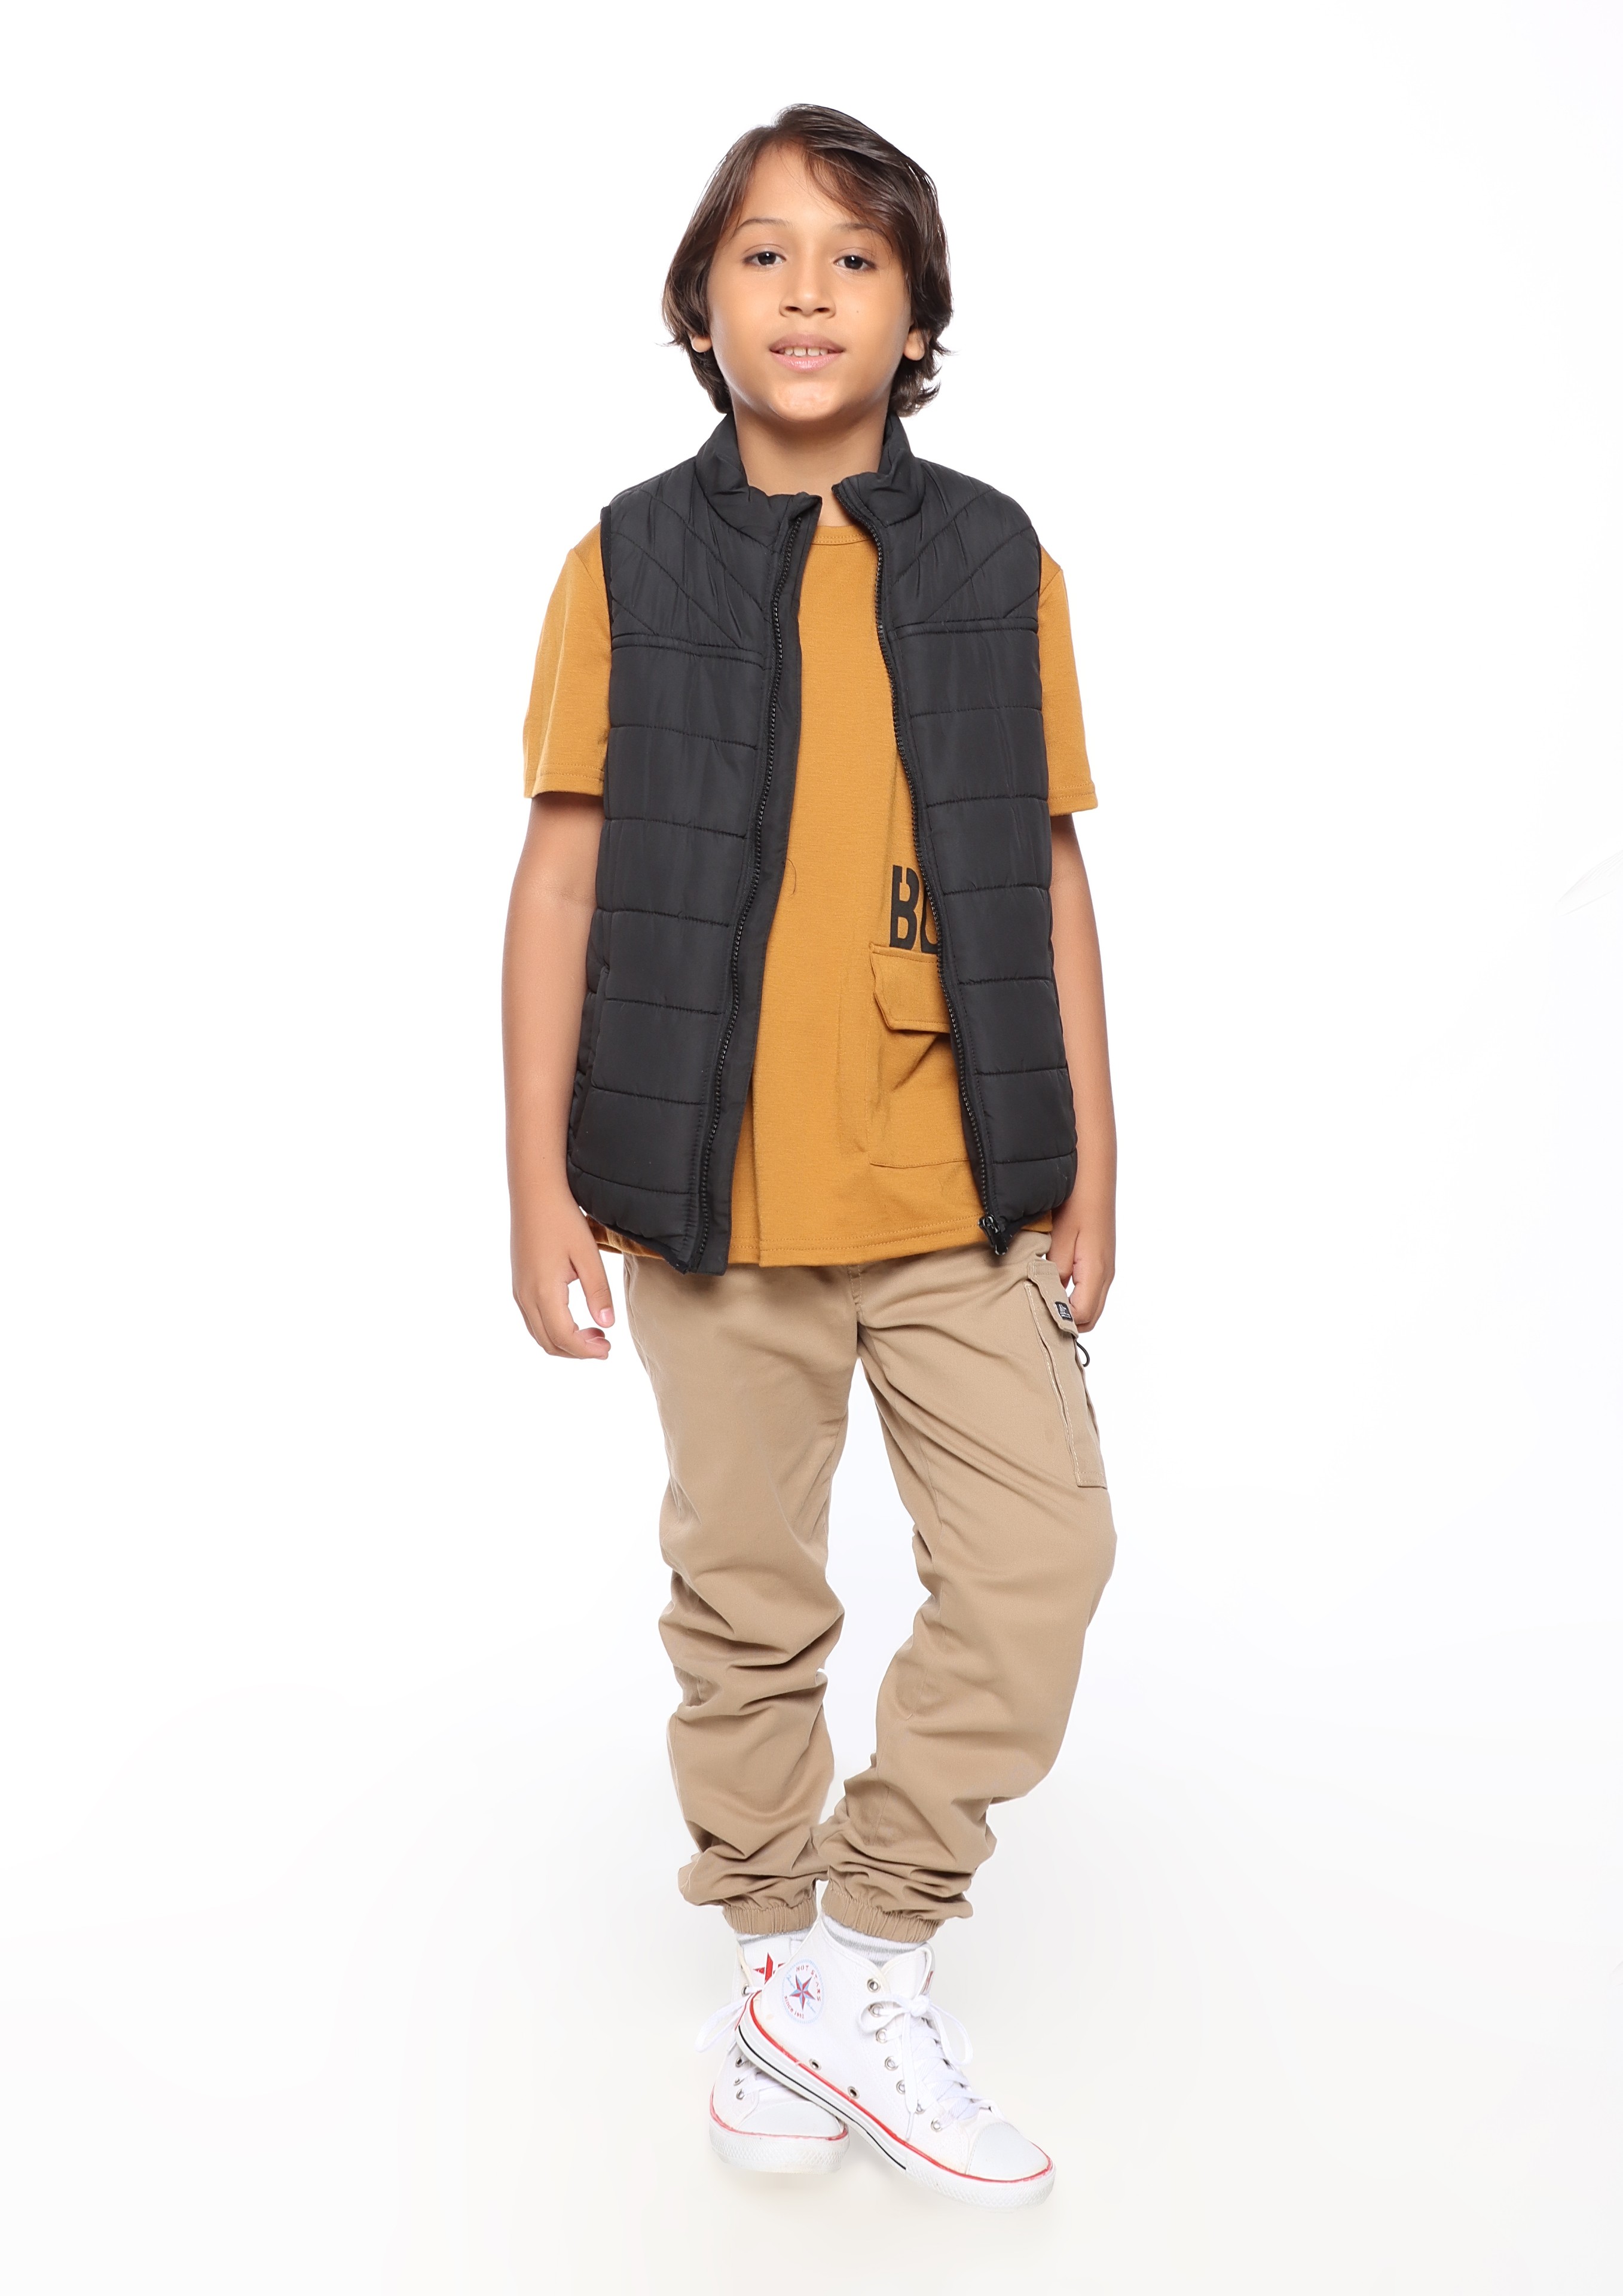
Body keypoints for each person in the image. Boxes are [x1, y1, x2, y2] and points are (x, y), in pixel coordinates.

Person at [502, 105, 1117, 2210]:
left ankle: (862, 1953)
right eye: (762, 254)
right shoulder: (626, 560)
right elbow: (561, 878)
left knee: (1038, 1561)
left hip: (958, 1182)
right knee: (747, 1596)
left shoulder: (994, 560)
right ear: (699, 304)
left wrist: (1095, 1163)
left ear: (917, 317)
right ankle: (775, 1961)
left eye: (856, 258)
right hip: (710, 1188)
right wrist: (533, 1184)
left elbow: (1046, 873)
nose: (806, 293)